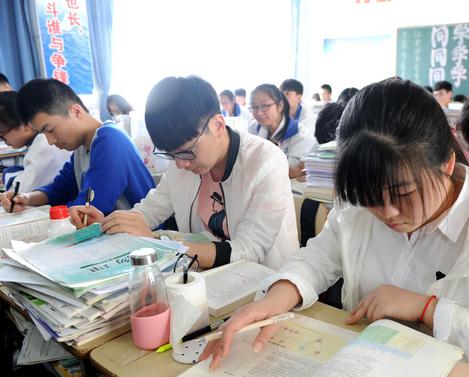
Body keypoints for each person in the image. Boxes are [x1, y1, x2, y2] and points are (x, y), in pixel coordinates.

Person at [202, 79, 469, 377]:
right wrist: (276, 297)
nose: (387, 212)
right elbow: (319, 257)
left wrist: (428, 309)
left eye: (403, 193)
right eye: (370, 197)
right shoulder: (360, 208)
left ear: (447, 163)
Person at [71, 76, 298, 270]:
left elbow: (249, 250)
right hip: (203, 276)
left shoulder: (265, 161)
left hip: (264, 282)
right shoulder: (183, 161)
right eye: (171, 155)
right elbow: (150, 210)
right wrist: (111, 224)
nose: (180, 164)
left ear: (217, 126)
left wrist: (160, 243)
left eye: (187, 151)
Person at [0, 79, 154, 215]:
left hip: (141, 234)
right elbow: (59, 188)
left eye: (50, 130)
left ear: (76, 111)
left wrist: (53, 215)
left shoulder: (109, 139)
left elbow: (91, 205)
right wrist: (26, 198)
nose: (50, 141)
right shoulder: (81, 147)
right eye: (43, 133)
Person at [0, 91, 71, 192]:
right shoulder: (39, 142)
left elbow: (21, 191)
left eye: (2, 135)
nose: (3, 141)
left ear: (25, 125)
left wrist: (7, 174)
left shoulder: (44, 144)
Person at [248, 84, 316, 178]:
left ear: (280, 106)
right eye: (254, 106)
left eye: (265, 106)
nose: (259, 112)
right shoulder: (253, 128)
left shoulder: (301, 135)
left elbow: (296, 169)